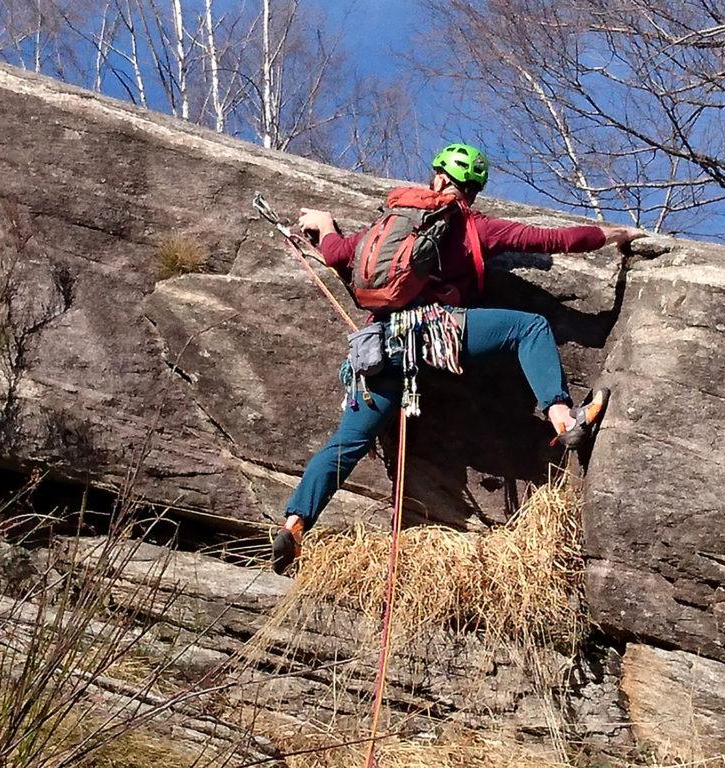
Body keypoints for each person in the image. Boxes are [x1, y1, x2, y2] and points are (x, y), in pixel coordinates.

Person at [272, 143, 643, 574]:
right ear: (470, 190)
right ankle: (563, 417)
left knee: (347, 444)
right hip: (434, 332)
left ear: (438, 178)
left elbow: (338, 256)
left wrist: (325, 225)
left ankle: (295, 523)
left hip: (378, 349)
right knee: (530, 327)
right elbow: (554, 240)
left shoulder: (393, 222)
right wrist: (615, 234)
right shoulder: (472, 225)